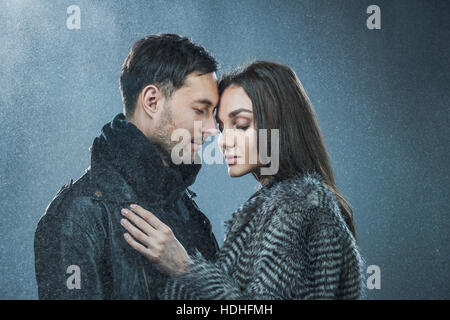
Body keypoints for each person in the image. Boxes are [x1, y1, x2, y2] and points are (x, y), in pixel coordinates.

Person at [120, 61, 365, 299]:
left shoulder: (298, 206)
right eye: (222, 127)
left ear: (279, 125)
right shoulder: (281, 203)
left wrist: (184, 267)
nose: (224, 141)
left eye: (241, 124)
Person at [34, 34, 220, 299]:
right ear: (152, 101)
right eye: (201, 110)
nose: (212, 130)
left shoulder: (187, 210)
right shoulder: (78, 215)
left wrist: (188, 272)